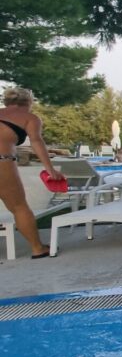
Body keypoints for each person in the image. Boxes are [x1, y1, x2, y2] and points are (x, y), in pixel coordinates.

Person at [0, 87, 65, 258]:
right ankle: (37, 248)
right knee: (19, 207)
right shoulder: (30, 118)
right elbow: (37, 142)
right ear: (28, 102)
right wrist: (50, 170)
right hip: (2, 161)